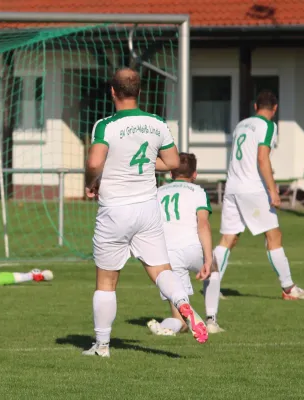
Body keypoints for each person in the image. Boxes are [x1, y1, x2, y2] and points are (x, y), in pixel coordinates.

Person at [82, 68, 208, 358]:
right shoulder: (156, 123)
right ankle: (182, 303)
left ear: (113, 92)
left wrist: (92, 182)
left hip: (115, 210)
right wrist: (145, 165)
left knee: (106, 281)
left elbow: (94, 161)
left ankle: (101, 346)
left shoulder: (106, 125)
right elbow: (174, 161)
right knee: (160, 270)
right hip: (147, 210)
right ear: (140, 91)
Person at [214, 90, 304, 300]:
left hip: (232, 186)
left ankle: (211, 286)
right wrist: (272, 190)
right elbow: (262, 158)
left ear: (255, 107)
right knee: (273, 236)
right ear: (275, 109)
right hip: (252, 189)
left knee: (228, 239)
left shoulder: (241, 125)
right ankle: (288, 288)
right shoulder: (268, 126)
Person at [147, 153, 224, 337]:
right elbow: (203, 224)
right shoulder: (197, 191)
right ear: (195, 174)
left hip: (167, 254)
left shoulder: (158, 192)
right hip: (191, 248)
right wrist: (207, 258)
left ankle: (167, 327)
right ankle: (211, 320)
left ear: (171, 173)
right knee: (213, 270)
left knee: (179, 317)